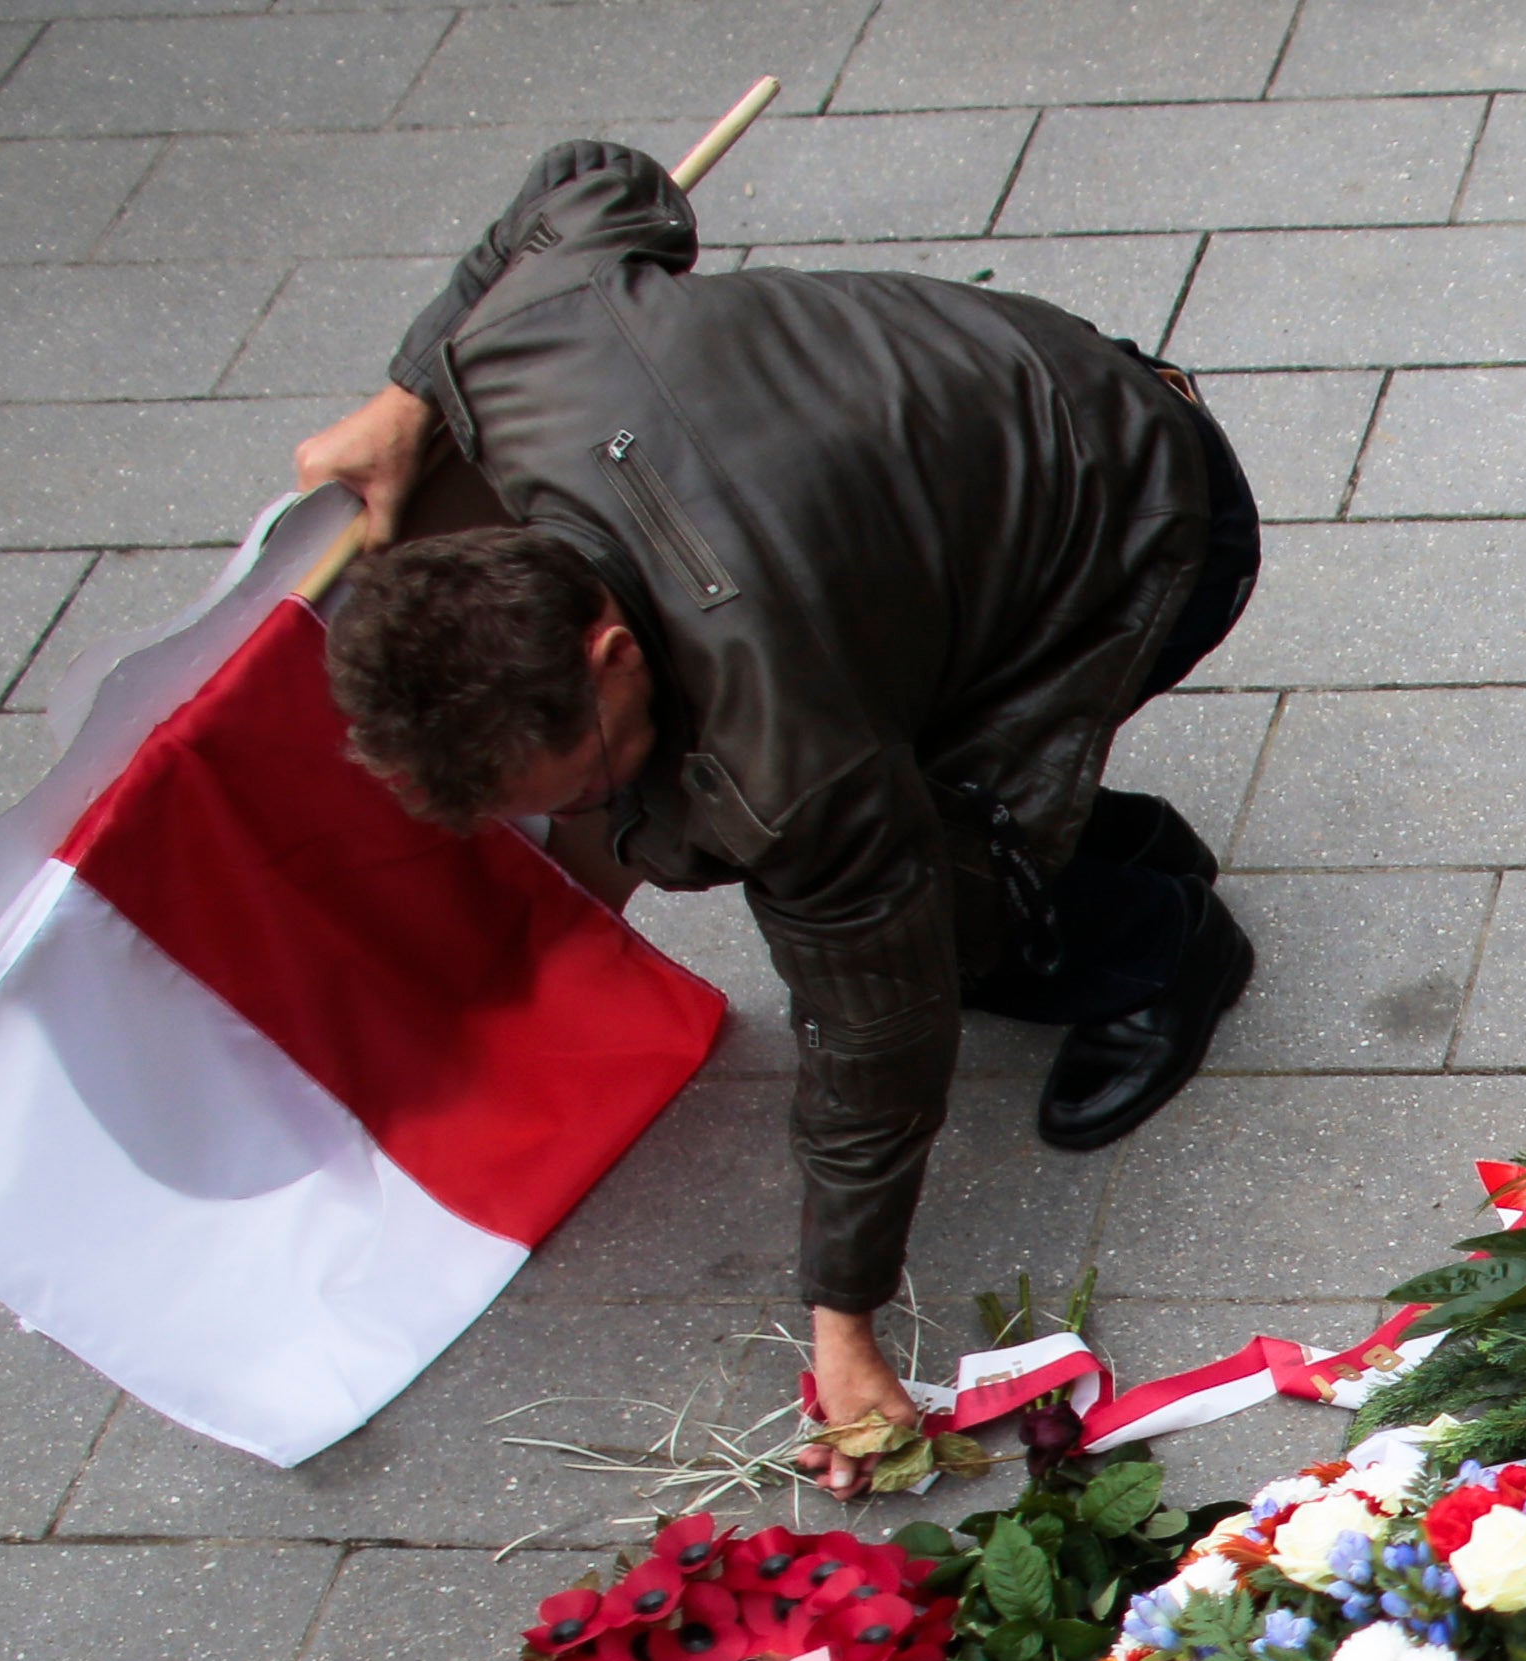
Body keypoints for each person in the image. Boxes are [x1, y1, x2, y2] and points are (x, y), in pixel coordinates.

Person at [293, 140, 1262, 1493]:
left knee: (946, 920)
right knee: (877, 826)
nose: (586, 813)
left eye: (578, 781)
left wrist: (844, 1327)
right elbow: (589, 180)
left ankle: (1161, 949)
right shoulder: (520, 350)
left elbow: (872, 1022)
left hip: (1134, 518)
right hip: (993, 430)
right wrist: (412, 396)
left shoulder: (780, 751)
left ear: (610, 653)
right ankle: (1110, 841)